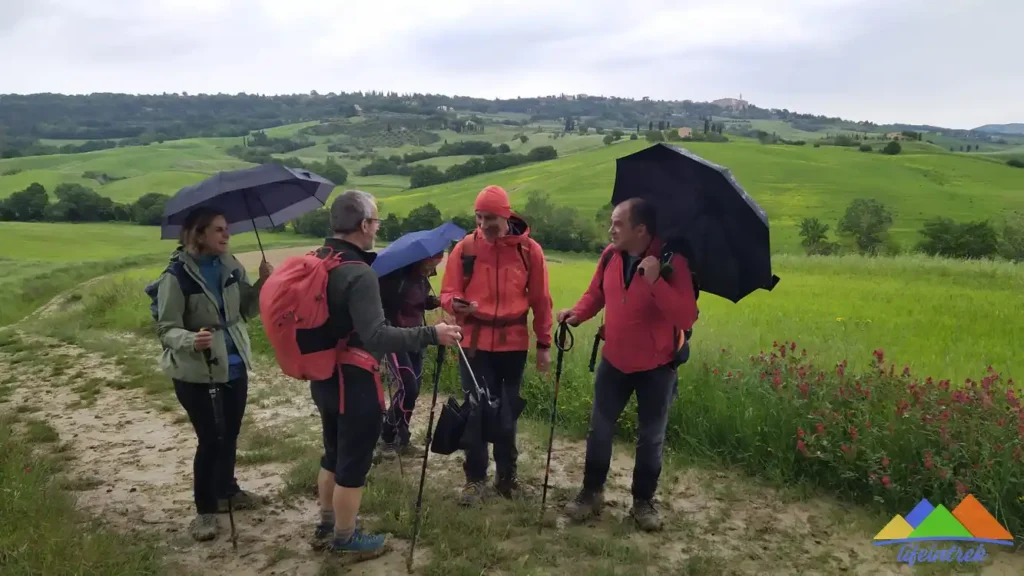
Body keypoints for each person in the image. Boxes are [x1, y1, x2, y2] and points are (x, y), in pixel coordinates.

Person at [308, 190, 463, 560]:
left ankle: (326, 525)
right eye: (376, 222)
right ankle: (346, 540)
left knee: (332, 453)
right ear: (363, 225)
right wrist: (432, 334)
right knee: (353, 462)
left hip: (324, 373)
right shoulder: (359, 273)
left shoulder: (320, 260)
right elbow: (377, 335)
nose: (377, 228)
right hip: (355, 378)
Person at [556, 198, 698, 532]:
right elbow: (596, 294)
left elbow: (686, 315)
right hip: (614, 362)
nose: (611, 229)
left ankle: (643, 502)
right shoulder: (610, 256)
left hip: (657, 367)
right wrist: (577, 313)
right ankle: (592, 493)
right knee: (599, 430)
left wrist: (655, 282)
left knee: (650, 438)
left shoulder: (671, 263)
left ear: (641, 229)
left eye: (617, 224)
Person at [154, 206, 273, 542]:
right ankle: (205, 511)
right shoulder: (175, 277)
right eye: (219, 230)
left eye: (226, 229)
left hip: (234, 364)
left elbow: (246, 311)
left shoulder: (231, 265)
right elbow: (165, 329)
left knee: (230, 434)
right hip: (196, 372)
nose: (227, 235)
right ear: (199, 234)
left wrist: (264, 282)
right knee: (210, 439)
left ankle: (227, 489)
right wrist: (191, 339)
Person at [440, 184, 553, 506]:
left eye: (489, 217)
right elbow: (448, 291)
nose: (483, 224)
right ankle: (475, 479)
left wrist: (543, 344)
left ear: (506, 214)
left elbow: (541, 301)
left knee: (506, 412)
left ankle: (507, 477)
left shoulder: (529, 251)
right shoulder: (466, 249)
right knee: (475, 410)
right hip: (473, 342)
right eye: (478, 217)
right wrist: (455, 304)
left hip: (513, 343)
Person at [377, 252, 444, 456]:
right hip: (397, 338)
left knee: (411, 390)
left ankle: (402, 439)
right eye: (433, 262)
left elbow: (421, 302)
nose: (433, 268)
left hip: (417, 337)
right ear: (422, 258)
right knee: (409, 388)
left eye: (438, 262)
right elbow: (384, 304)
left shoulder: (421, 277)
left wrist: (439, 301)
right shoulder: (396, 276)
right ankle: (387, 436)